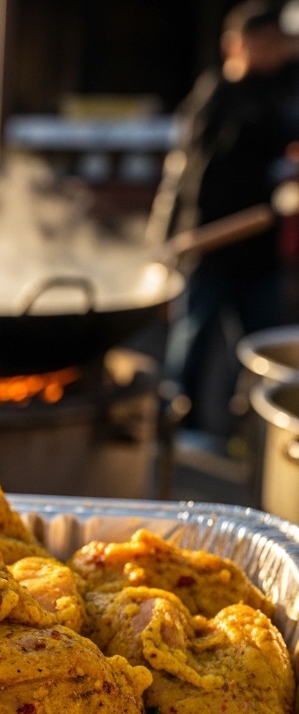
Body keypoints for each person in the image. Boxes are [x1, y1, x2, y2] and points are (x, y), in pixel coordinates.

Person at [165, 1, 299, 436]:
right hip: (206, 241)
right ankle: (182, 428)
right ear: (235, 45)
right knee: (193, 340)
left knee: (264, 346)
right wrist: (169, 234)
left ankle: (256, 432)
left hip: (257, 244)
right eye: (266, 41)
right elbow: (183, 174)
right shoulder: (213, 97)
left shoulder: (282, 95)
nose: (276, 50)